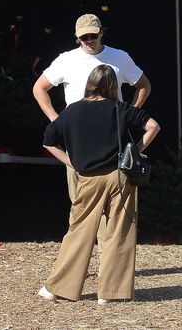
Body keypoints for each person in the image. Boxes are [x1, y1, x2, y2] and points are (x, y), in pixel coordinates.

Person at [38, 64, 160, 304]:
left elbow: (48, 141)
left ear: (89, 84)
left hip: (88, 179)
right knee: (119, 233)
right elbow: (153, 126)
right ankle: (112, 293)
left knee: (79, 232)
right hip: (119, 177)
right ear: (113, 85)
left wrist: (71, 162)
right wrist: (133, 153)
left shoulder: (71, 112)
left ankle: (58, 288)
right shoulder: (121, 109)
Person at [33, 13, 151, 260]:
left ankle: (107, 264)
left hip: (112, 141)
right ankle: (78, 263)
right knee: (80, 207)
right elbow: (39, 88)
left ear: (101, 33)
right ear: (77, 38)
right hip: (80, 142)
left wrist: (130, 114)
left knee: (114, 210)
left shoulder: (120, 57)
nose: (89, 40)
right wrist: (58, 121)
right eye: (84, 37)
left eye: (93, 35)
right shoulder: (66, 60)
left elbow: (144, 85)